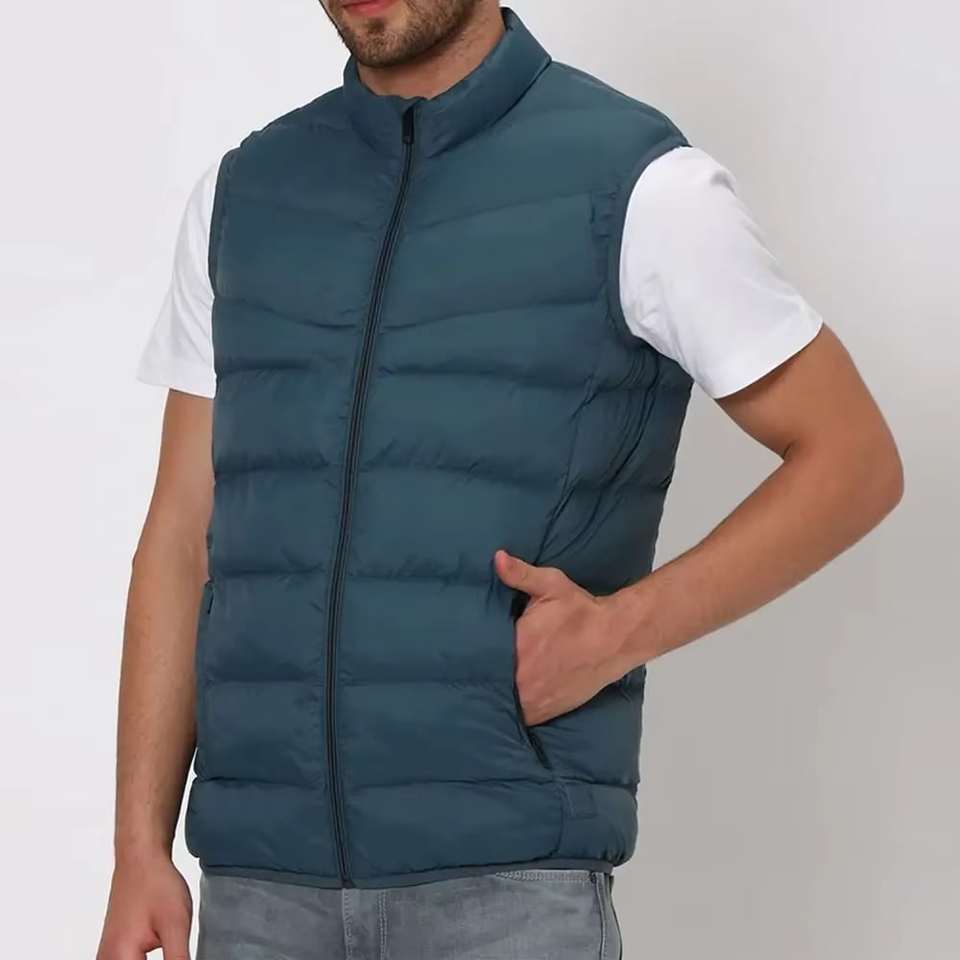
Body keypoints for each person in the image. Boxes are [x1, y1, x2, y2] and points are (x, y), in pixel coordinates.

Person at [96, 2, 904, 958]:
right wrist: (139, 848)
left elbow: (853, 459)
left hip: (508, 892)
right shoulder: (248, 194)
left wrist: (620, 632)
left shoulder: (637, 184)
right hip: (260, 892)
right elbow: (182, 532)